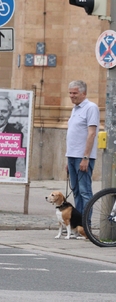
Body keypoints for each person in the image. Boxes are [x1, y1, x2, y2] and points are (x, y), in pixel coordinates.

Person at [66, 80, 99, 215]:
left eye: (75, 93)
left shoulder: (91, 107)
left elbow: (91, 134)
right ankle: (78, 225)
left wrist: (86, 157)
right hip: (72, 156)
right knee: (76, 191)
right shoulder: (75, 109)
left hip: (83, 157)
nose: (72, 96)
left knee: (85, 191)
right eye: (70, 93)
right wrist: (67, 159)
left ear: (83, 93)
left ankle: (86, 225)